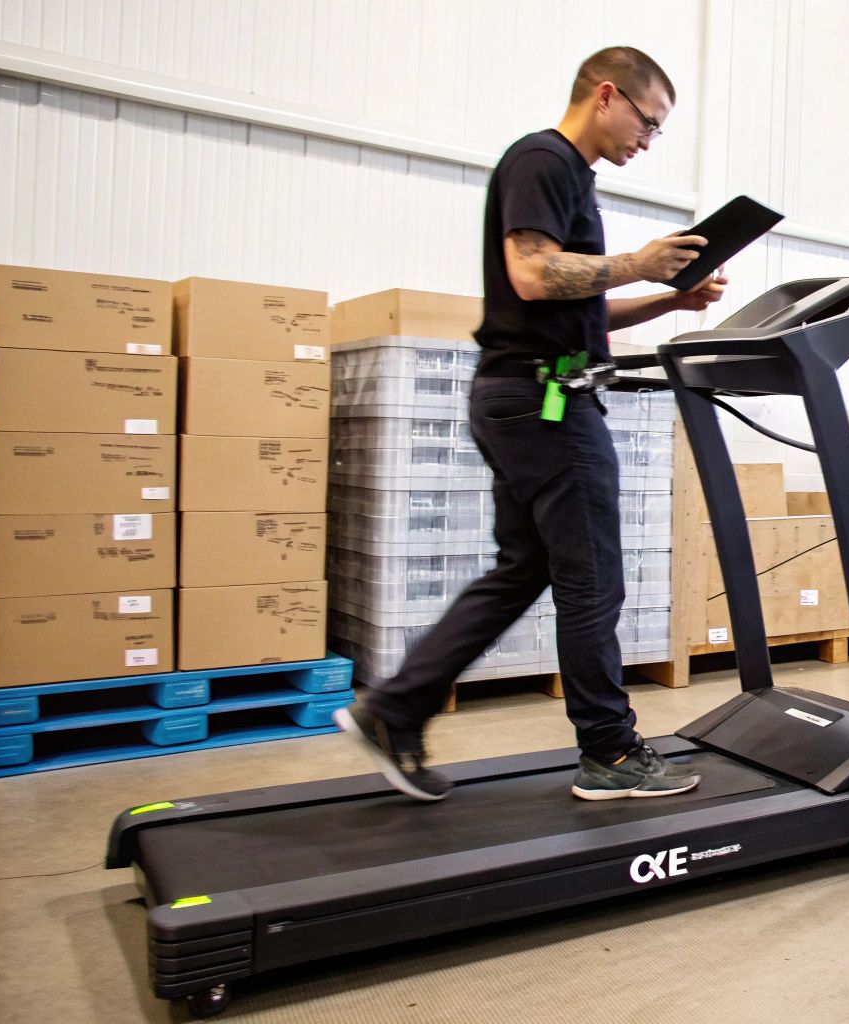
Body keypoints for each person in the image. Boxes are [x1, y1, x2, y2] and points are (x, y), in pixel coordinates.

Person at [338, 47, 724, 803]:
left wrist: (667, 302)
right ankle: (609, 755)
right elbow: (533, 272)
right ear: (607, 96)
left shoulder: (568, 175)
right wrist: (641, 262)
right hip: (546, 405)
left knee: (524, 570)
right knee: (594, 584)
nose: (648, 140)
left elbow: (574, 300)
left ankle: (395, 707)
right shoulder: (544, 159)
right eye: (648, 122)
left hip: (523, 397)